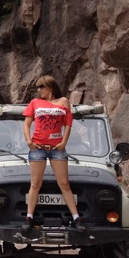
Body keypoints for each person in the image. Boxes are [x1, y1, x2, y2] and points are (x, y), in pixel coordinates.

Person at [22, 75, 83, 231]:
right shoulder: (35, 103)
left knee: (64, 184)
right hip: (38, 147)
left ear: (49, 86)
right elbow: (27, 123)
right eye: (38, 87)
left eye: (41, 86)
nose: (39, 90)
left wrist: (64, 143)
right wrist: (29, 141)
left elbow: (68, 124)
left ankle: (76, 218)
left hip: (57, 148)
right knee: (35, 183)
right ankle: (29, 217)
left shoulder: (63, 101)